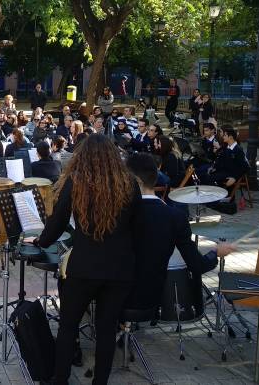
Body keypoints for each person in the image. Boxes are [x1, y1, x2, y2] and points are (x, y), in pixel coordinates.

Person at [29, 134, 141, 385]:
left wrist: (40, 242)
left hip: (83, 267)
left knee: (68, 327)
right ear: (113, 157)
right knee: (106, 329)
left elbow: (57, 223)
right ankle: (100, 381)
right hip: (119, 269)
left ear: (84, 157)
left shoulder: (75, 182)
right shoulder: (130, 184)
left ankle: (61, 380)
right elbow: (138, 228)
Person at [125, 153, 234, 310]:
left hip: (115, 296)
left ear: (136, 181)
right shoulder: (175, 217)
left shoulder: (118, 213)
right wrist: (215, 252)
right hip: (152, 296)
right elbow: (196, 265)